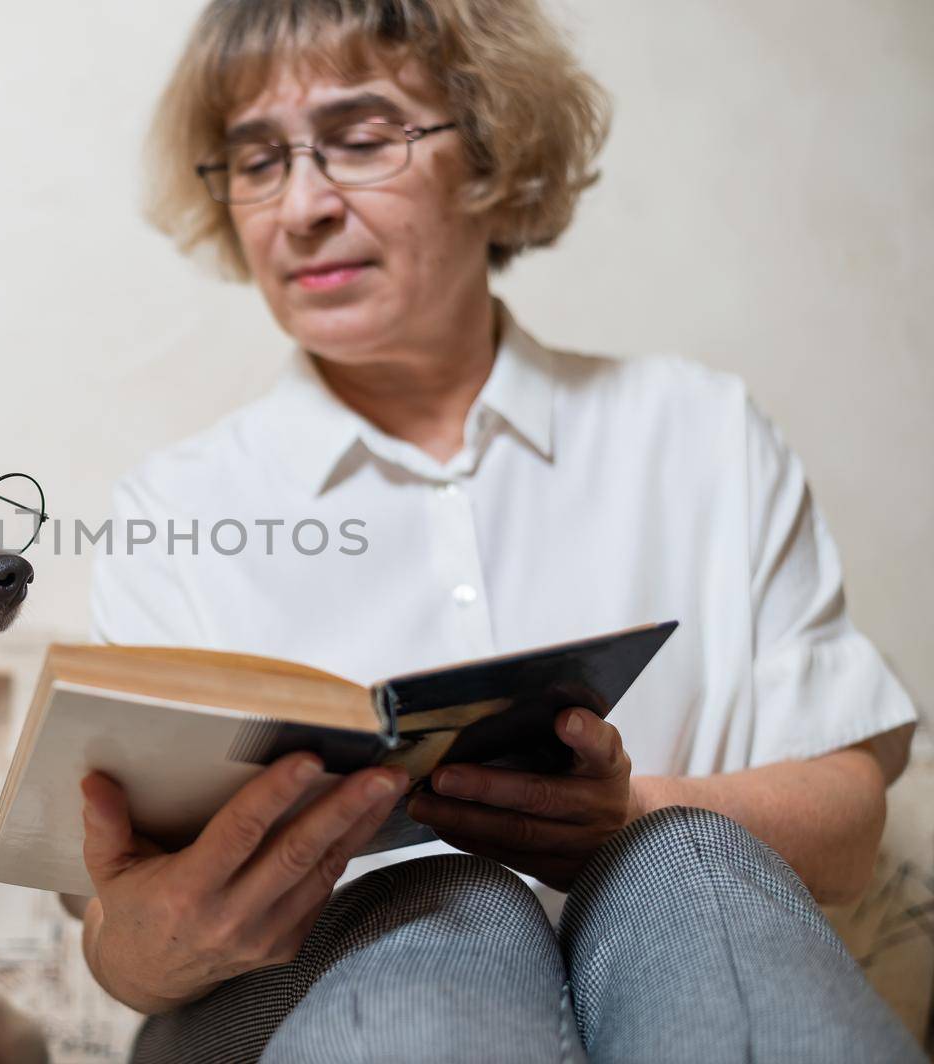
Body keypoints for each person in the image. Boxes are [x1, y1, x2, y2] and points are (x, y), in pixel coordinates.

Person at [68, 1, 922, 1060]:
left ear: (488, 145)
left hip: (676, 975)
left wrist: (627, 815)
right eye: (253, 159)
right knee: (442, 906)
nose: (297, 207)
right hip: (296, 1007)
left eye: (361, 139)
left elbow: (847, 825)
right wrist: (154, 942)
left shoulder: (699, 432)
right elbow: (118, 934)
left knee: (680, 864)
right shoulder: (178, 507)